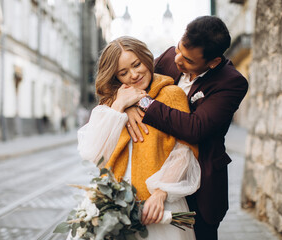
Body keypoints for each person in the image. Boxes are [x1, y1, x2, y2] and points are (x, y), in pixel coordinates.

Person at [125, 16, 249, 239]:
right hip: (152, 172)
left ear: (213, 62)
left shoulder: (231, 83)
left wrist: (143, 103)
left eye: (189, 60)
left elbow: (195, 128)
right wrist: (128, 106)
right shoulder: (169, 57)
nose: (178, 60)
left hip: (200, 183)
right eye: (180, 48)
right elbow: (130, 84)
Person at [75, 36, 201, 239]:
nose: (133, 75)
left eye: (137, 64)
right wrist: (119, 107)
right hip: (113, 202)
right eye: (123, 73)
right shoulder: (109, 105)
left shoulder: (171, 95)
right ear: (115, 76)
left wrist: (161, 193)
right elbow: (91, 151)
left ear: (146, 58)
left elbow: (184, 150)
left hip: (159, 201)